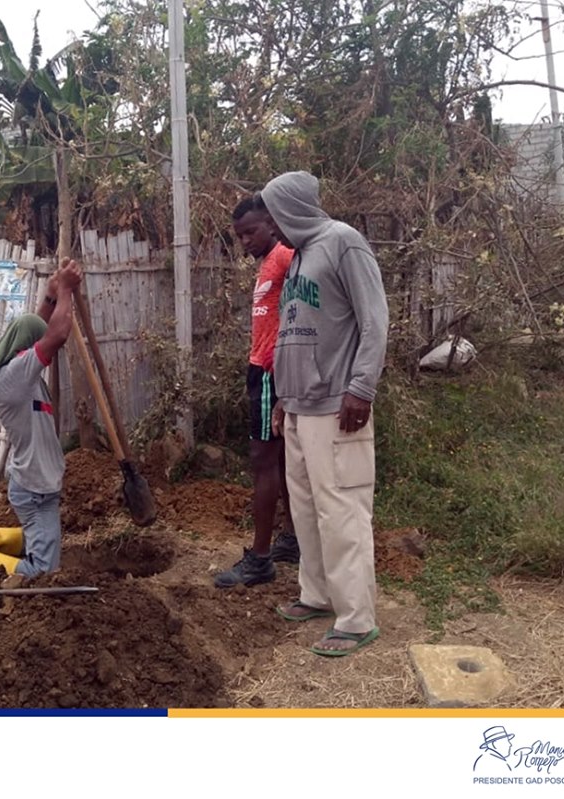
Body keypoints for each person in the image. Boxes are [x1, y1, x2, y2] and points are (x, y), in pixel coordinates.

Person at [262, 170, 388, 656]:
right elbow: (297, 330)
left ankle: (356, 619)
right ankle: (316, 595)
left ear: (292, 208)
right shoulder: (299, 256)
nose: (272, 225)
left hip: (337, 405)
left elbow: (375, 319)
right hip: (299, 406)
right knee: (307, 509)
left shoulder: (343, 242)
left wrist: (362, 387)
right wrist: (283, 399)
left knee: (342, 511)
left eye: (275, 214)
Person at [0, 257, 83, 579]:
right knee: (43, 568)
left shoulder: (22, 372)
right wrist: (66, 290)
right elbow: (56, 335)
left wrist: (51, 295)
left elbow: (38, 328)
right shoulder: (15, 376)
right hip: (33, 488)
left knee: (47, 550)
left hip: (40, 484)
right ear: (24, 348)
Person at [214, 194, 298, 588]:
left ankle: (260, 559)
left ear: (272, 224)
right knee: (279, 461)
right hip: (261, 369)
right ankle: (292, 540)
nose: (245, 241)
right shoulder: (267, 263)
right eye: (240, 236)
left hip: (270, 372)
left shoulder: (284, 256)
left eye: (251, 232)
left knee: (262, 460)